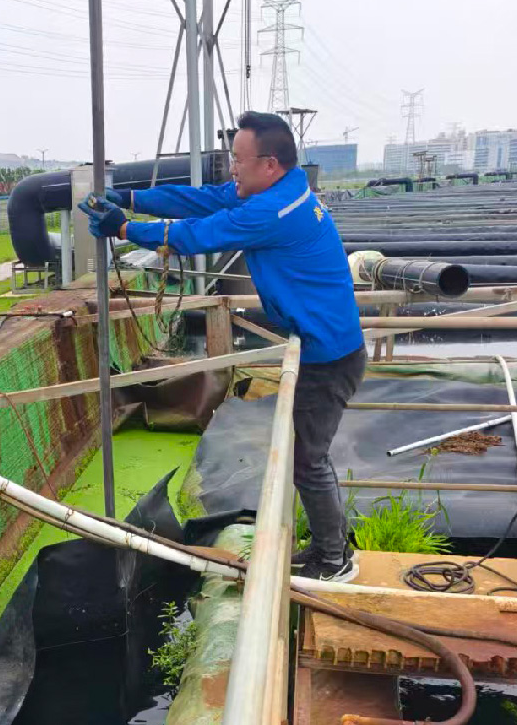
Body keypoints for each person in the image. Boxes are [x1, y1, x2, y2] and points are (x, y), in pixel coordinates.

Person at [83, 111, 365, 582]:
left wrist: (125, 228)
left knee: (307, 460)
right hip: (325, 344)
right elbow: (202, 199)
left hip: (329, 356)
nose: (232, 168)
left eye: (238, 158)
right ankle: (326, 547)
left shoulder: (272, 212)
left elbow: (201, 234)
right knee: (306, 456)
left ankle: (333, 560)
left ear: (269, 163)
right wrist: (132, 198)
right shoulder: (282, 190)